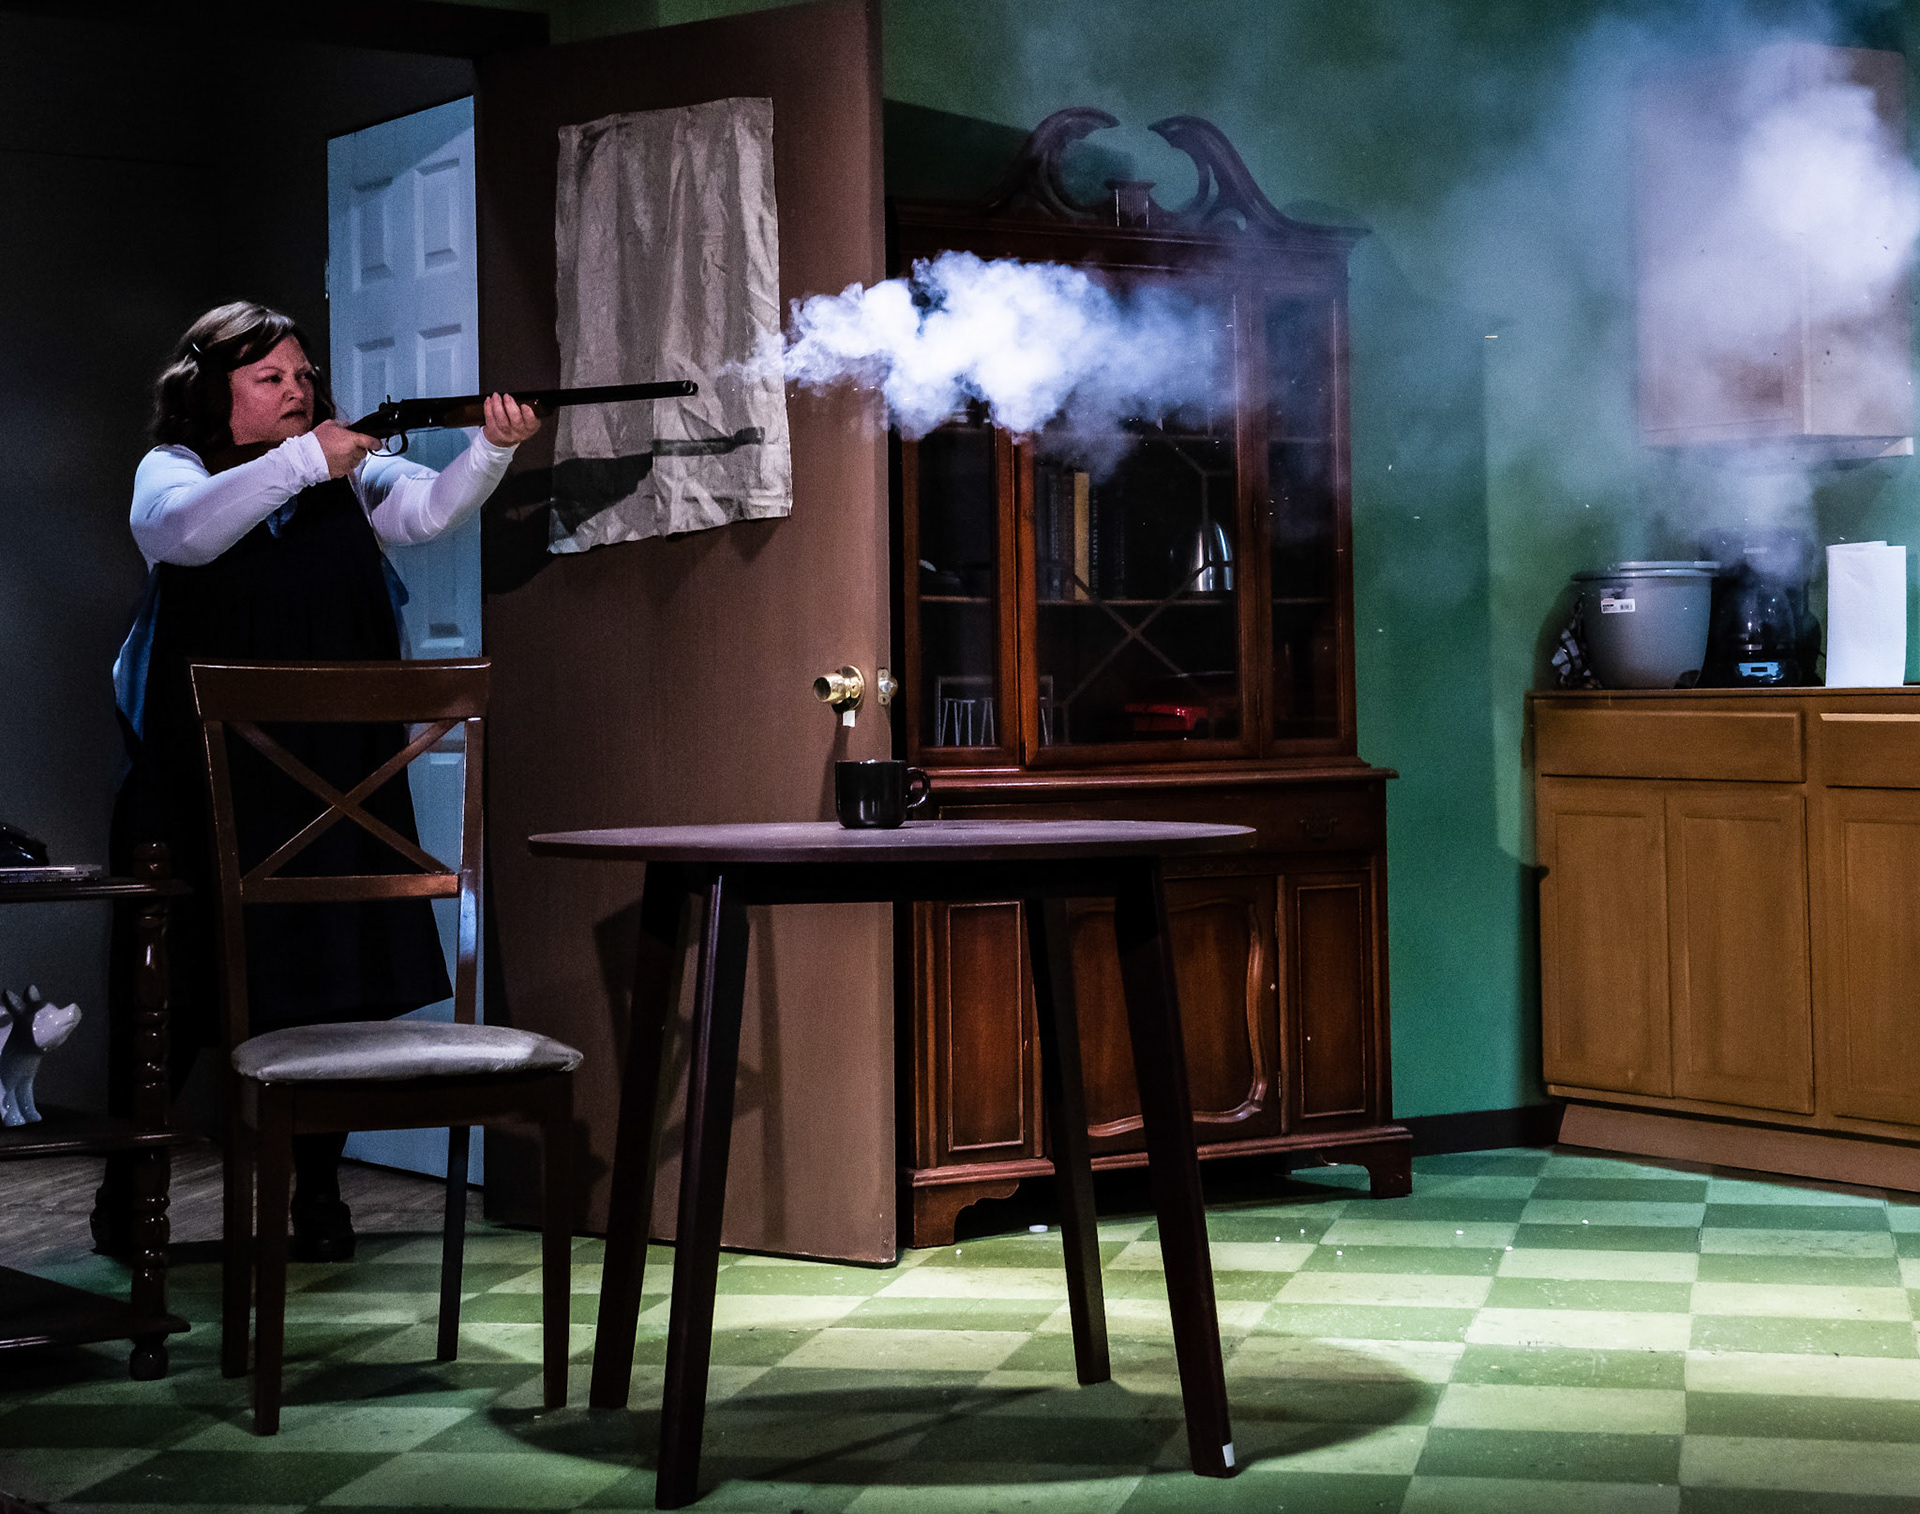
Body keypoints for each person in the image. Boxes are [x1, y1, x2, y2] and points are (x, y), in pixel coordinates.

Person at [107, 300, 540, 1261]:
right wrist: (309, 459)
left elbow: (426, 511)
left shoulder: (347, 470)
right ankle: (127, 1195)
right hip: (196, 780)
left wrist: (491, 449)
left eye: (303, 375)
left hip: (331, 779)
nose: (297, 390)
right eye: (270, 378)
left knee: (333, 989)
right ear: (211, 392)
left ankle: (318, 1195)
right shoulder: (173, 468)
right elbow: (182, 534)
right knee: (175, 998)